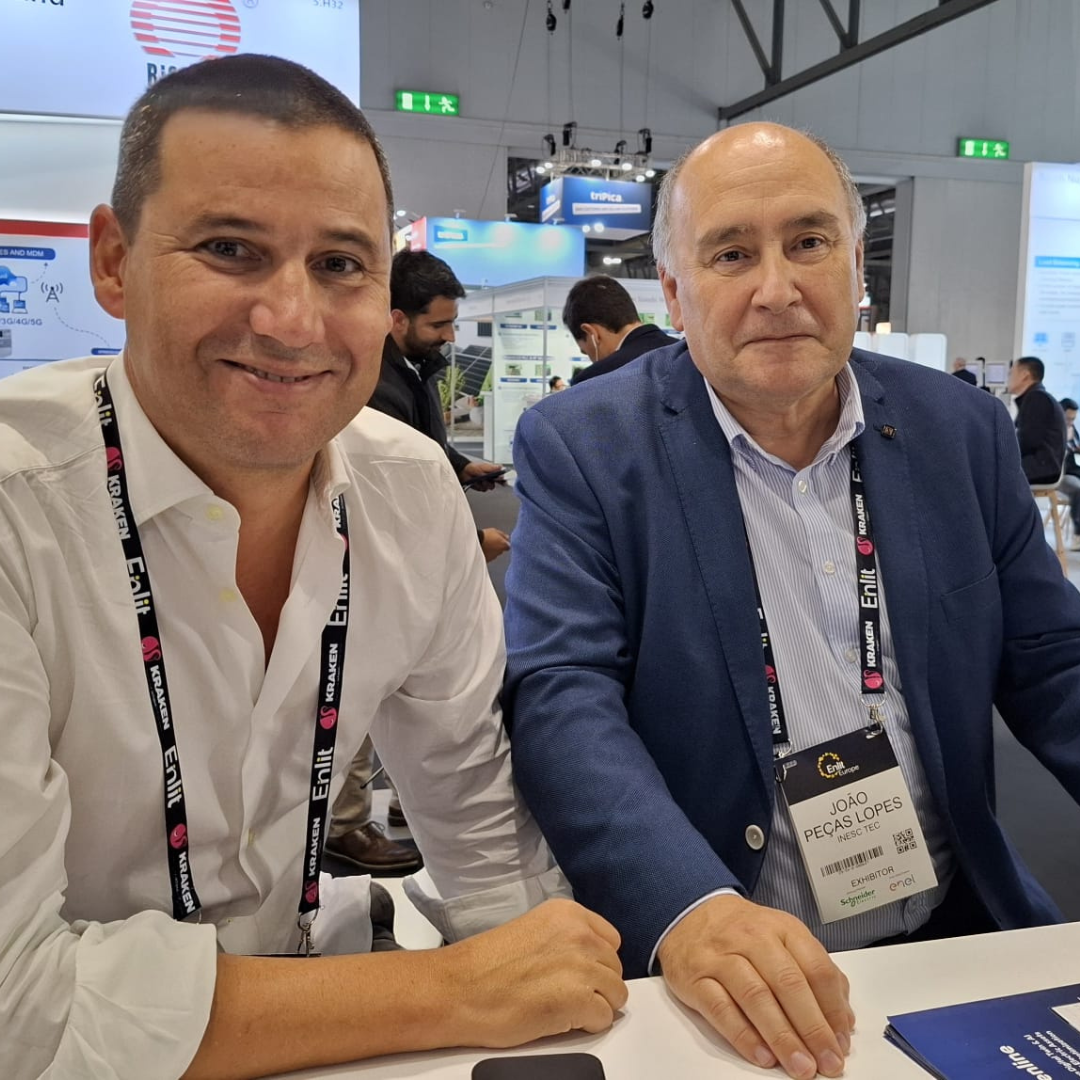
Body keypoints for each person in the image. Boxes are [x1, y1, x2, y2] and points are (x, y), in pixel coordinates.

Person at [0, 55, 627, 1080]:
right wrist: (454, 991)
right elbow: (16, 1009)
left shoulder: (408, 491)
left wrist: (545, 985)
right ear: (114, 262)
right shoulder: (18, 508)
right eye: (229, 249)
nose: (291, 322)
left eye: (339, 264)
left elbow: (471, 806)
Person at [503, 122, 1080, 1080]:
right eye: (731, 254)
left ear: (855, 264)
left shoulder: (959, 430)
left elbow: (1054, 662)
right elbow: (562, 696)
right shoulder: (588, 446)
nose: (776, 288)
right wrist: (691, 910)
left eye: (808, 242)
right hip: (721, 968)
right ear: (675, 293)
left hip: (957, 938)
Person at [369, 249, 510, 563]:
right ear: (398, 320)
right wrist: (472, 544)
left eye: (453, 322)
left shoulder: (420, 365)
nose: (450, 336)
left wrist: (460, 466)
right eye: (438, 325)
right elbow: (400, 495)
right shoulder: (374, 388)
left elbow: (423, 441)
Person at [563, 274, 673, 385]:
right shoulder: (681, 352)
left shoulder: (592, 380)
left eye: (585, 351)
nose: (591, 359)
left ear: (592, 334)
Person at [1008, 356, 1066, 484]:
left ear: (1025, 375)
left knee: (987, 474)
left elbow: (1027, 442)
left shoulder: (1037, 398)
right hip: (1042, 467)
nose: (1009, 378)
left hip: (1041, 469)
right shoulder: (1038, 397)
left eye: (1011, 373)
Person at [1059, 397, 1080, 550]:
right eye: (1068, 419)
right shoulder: (1053, 430)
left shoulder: (1073, 430)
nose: (1071, 422)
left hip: (1074, 470)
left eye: (1073, 419)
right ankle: (1078, 535)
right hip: (1061, 474)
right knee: (1079, 489)